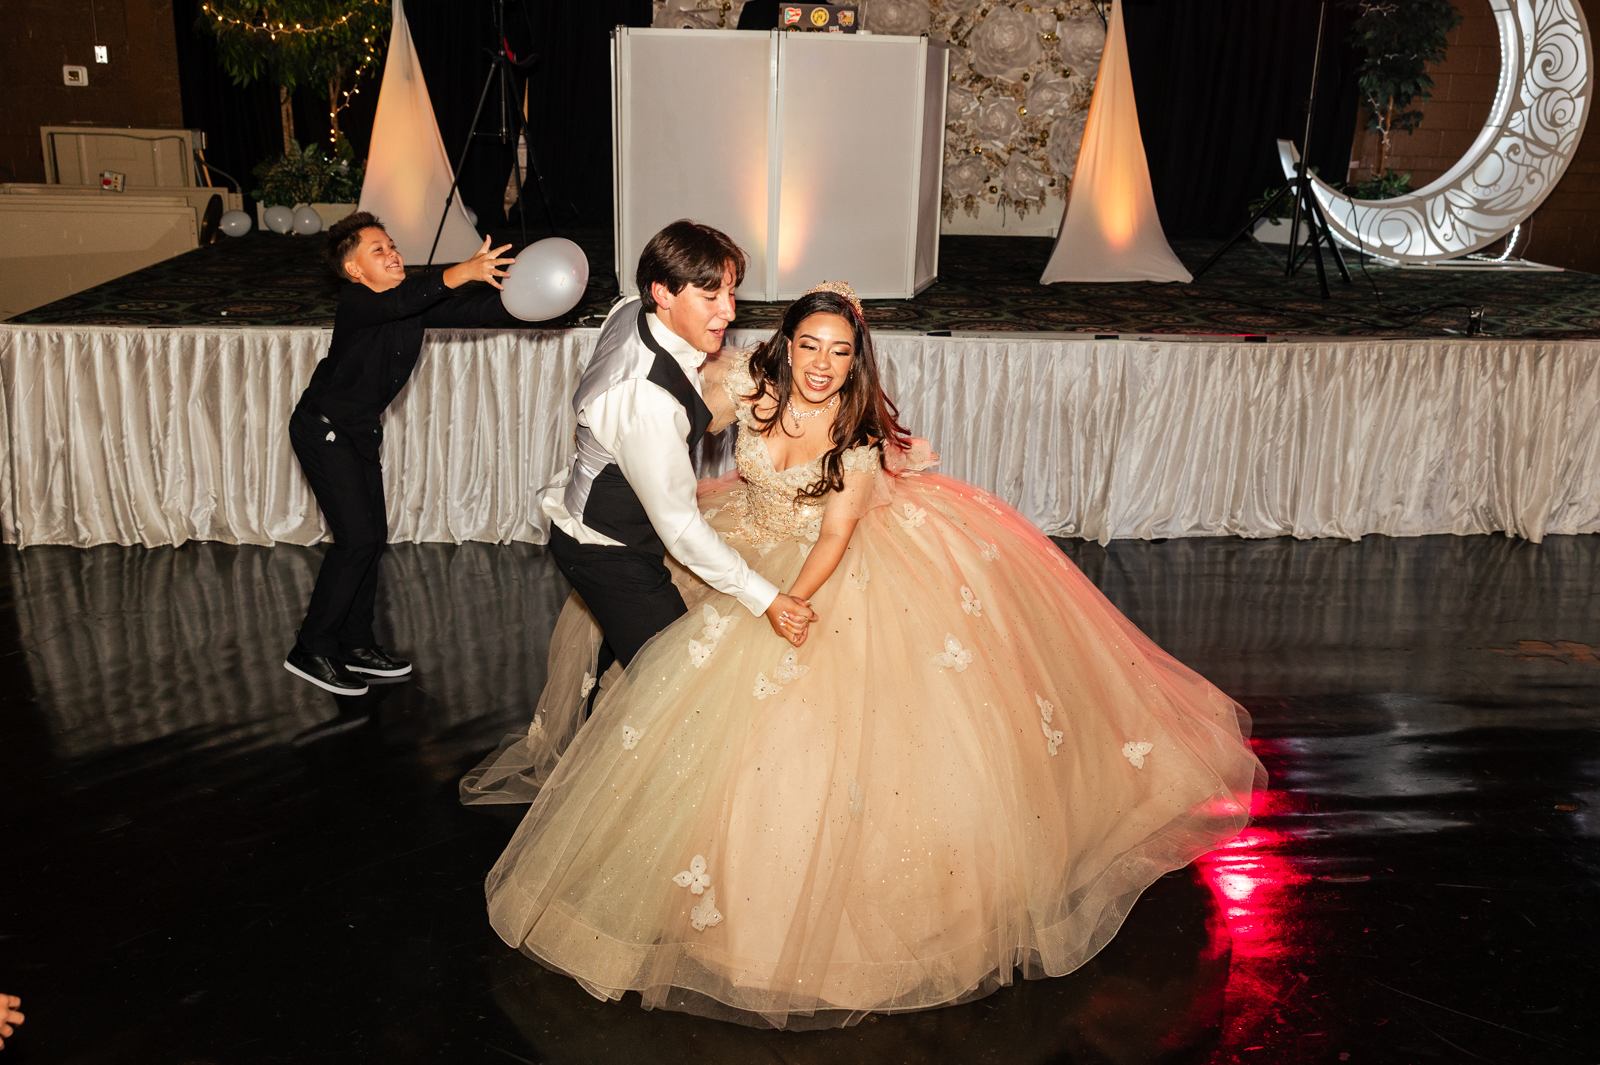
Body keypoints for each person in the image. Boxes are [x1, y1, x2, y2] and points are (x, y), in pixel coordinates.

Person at [476, 282, 1266, 1029]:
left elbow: (833, 537)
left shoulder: (853, 441)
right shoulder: (749, 388)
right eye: (810, 345)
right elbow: (668, 421)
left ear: (856, 359)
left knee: (815, 726)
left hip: (821, 568)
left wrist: (787, 601)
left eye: (840, 351)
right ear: (785, 344)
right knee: (681, 684)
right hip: (747, 532)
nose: (823, 364)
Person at [537, 219, 816, 692]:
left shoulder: (631, 308)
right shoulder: (647, 403)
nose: (728, 311)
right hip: (608, 550)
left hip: (611, 521)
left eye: (731, 293)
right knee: (678, 687)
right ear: (662, 293)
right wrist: (767, 598)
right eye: (711, 297)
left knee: (625, 667)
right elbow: (682, 530)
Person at [283, 212, 516, 696]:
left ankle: (355, 643)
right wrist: (462, 271)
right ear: (354, 270)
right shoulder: (358, 302)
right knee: (356, 540)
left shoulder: (407, 307)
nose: (392, 254)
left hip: (358, 433)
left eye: (392, 245)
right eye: (378, 250)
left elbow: (470, 311)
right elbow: (412, 297)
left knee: (370, 539)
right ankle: (312, 646)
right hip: (322, 430)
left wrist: (532, 302)